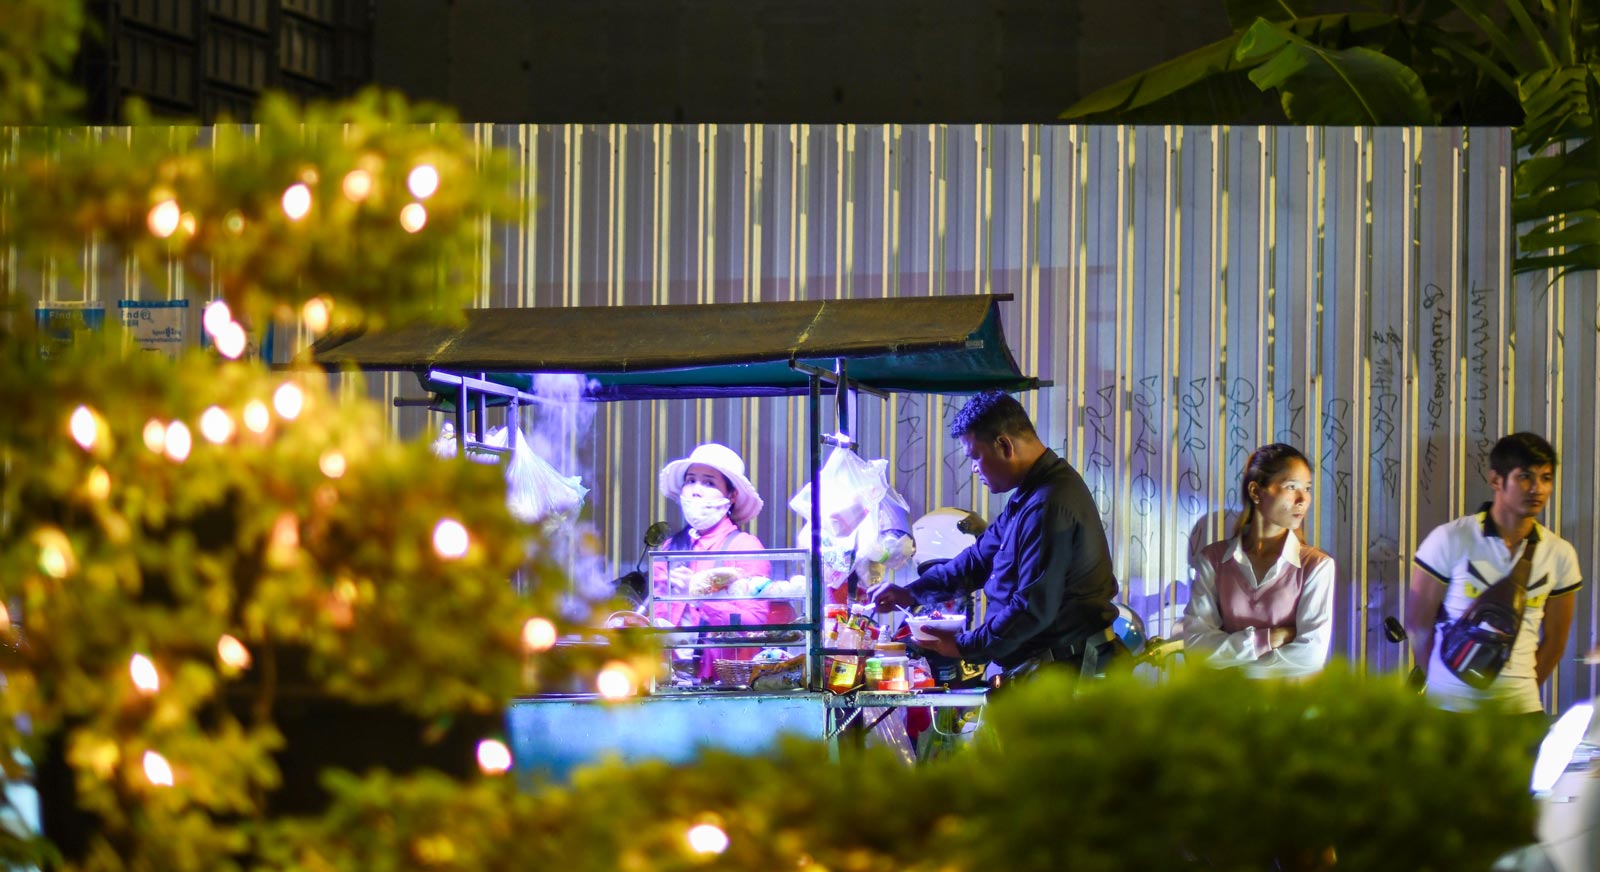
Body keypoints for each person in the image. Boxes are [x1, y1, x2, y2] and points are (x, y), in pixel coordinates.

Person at [872, 390, 1119, 681]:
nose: (974, 468)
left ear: (1004, 445)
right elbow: (976, 561)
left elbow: (1031, 609)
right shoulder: (1028, 498)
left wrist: (964, 645)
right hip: (1049, 669)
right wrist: (912, 592)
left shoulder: (1048, 504)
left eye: (975, 456)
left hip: (1071, 677)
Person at [1405, 432, 1582, 717]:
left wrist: (1517, 693)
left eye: (1546, 478)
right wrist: (1445, 684)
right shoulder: (1450, 539)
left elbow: (1555, 641)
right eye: (1525, 476)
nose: (1537, 488)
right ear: (1496, 480)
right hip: (1448, 710)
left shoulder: (1560, 554)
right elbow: (1417, 625)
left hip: (1520, 711)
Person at [1181, 443, 1335, 678]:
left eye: (1307, 488)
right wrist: (1268, 639)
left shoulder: (1316, 566)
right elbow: (1195, 645)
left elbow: (1311, 656)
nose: (1303, 499)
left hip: (1291, 708)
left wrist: (1229, 662)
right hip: (1225, 710)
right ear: (1255, 492)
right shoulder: (1213, 560)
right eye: (1291, 487)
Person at [651, 443, 775, 683]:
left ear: (731, 495)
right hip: (668, 680)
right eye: (691, 481)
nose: (696, 490)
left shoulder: (745, 546)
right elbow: (657, 619)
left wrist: (700, 598)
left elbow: (754, 624)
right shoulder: (670, 548)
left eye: (709, 483)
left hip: (724, 682)